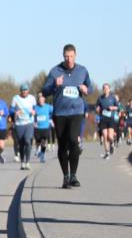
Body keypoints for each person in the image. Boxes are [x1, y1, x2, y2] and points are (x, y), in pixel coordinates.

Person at [42, 44, 93, 188]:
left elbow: (90, 86)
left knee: (74, 141)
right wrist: (54, 86)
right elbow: (45, 91)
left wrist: (86, 89)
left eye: (71, 56)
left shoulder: (82, 71)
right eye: (66, 57)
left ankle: (74, 175)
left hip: (76, 112)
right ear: (63, 56)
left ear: (75, 56)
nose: (69, 59)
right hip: (60, 114)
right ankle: (65, 176)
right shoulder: (55, 71)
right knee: (63, 145)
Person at [11, 83, 36, 170]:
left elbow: (35, 108)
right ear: (20, 91)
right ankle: (22, 162)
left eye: (26, 90)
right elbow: (11, 110)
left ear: (28, 91)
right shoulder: (15, 98)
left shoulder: (32, 98)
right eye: (23, 90)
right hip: (19, 123)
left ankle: (28, 162)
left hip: (29, 122)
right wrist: (15, 113)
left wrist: (34, 112)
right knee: (21, 143)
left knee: (28, 141)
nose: (24, 92)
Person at [95, 83, 119, 159]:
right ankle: (107, 153)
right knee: (105, 136)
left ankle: (112, 143)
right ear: (103, 90)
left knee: (110, 136)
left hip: (111, 119)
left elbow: (118, 107)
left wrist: (112, 108)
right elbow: (97, 107)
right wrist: (97, 109)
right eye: (104, 88)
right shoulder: (100, 98)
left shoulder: (113, 98)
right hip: (103, 119)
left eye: (107, 88)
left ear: (109, 89)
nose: (106, 90)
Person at [33, 93, 54, 163]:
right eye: (40, 100)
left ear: (44, 100)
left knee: (43, 142)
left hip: (45, 127)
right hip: (37, 128)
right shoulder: (35, 107)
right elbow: (31, 115)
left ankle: (42, 155)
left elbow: (54, 112)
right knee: (38, 142)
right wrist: (33, 121)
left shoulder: (48, 107)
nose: (41, 101)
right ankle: (38, 150)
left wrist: (52, 120)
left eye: (42, 100)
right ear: (38, 100)